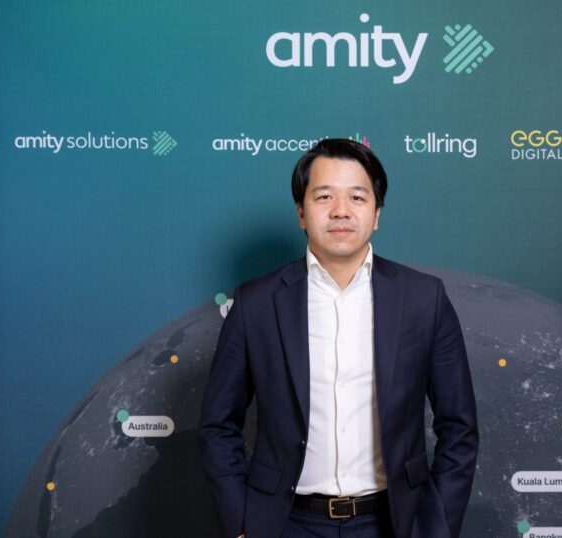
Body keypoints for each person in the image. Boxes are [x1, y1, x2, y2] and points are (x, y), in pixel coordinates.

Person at [200, 138, 478, 538]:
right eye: (324, 196)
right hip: (286, 524)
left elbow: (459, 427)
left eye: (357, 197)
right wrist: (242, 524)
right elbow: (218, 424)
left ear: (377, 213)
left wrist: (436, 529)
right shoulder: (256, 303)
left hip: (395, 523)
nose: (341, 211)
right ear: (301, 212)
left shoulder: (424, 299)